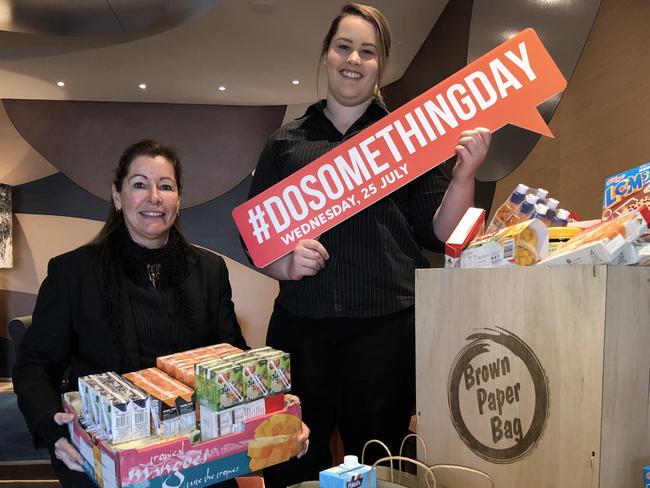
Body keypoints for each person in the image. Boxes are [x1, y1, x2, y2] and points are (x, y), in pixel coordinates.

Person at [246, 4, 491, 486]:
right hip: (302, 329)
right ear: (326, 55)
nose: (353, 59)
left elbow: (442, 232)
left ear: (381, 66)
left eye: (368, 51)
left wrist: (466, 173)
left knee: (382, 459)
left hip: (386, 330)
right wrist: (283, 263)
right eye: (344, 46)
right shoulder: (285, 142)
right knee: (291, 456)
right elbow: (256, 235)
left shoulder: (406, 138)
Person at [13, 140, 308, 488]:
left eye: (165, 186)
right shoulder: (73, 272)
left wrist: (276, 407)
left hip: (199, 457)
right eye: (139, 184)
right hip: (110, 458)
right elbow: (34, 365)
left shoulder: (209, 270)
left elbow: (232, 358)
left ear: (178, 200)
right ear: (118, 197)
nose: (154, 196)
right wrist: (52, 428)